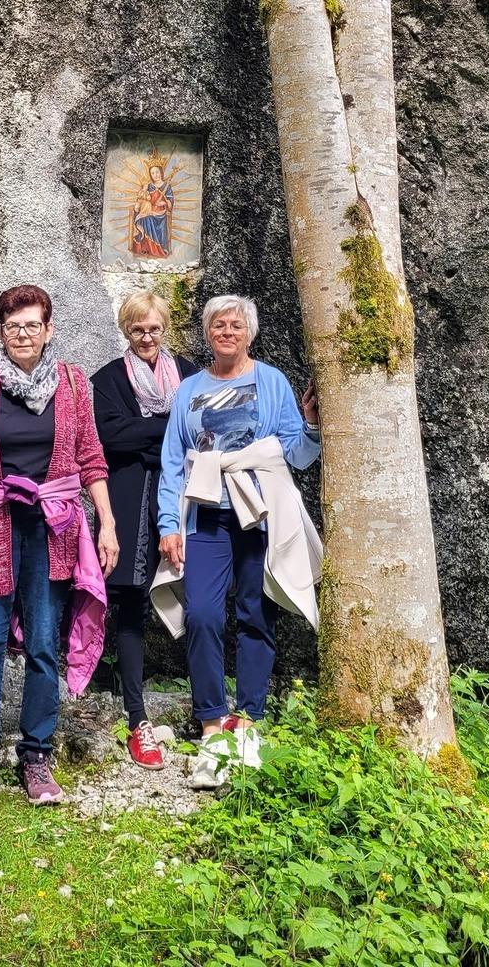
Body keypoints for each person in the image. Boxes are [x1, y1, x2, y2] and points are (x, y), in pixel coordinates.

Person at [0, 283, 119, 815]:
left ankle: (37, 754)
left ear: (48, 329)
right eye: (13, 326)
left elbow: (91, 458)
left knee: (42, 641)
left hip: (53, 528)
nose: (23, 334)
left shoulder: (73, 384)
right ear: (1, 332)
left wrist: (106, 523)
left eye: (32, 325)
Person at [153, 295, 322, 791]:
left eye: (235, 325)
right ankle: (211, 724)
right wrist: (168, 524)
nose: (226, 332)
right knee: (202, 614)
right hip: (205, 515)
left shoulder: (271, 381)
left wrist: (311, 425)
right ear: (207, 333)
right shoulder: (189, 390)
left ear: (249, 333)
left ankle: (247, 721)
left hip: (259, 514)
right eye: (218, 325)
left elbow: (295, 453)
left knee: (256, 613)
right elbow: (172, 461)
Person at [91, 291, 197, 769]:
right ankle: (137, 717)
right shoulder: (108, 379)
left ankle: (207, 709)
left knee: (198, 597)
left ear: (165, 328)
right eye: (137, 330)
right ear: (125, 331)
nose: (147, 337)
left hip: (183, 497)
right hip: (129, 499)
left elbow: (197, 434)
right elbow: (110, 437)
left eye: (153, 328)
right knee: (132, 604)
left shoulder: (191, 375)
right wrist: (168, 430)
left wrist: (145, 431)